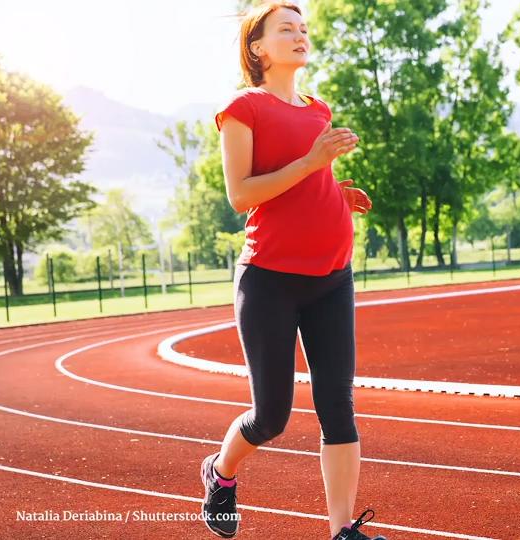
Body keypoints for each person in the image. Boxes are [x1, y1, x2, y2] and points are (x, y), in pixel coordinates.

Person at [200, 3, 382, 539]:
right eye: (286, 29)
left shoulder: (318, 108)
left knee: (337, 406)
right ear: (258, 47)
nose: (300, 35)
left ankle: (342, 530)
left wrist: (336, 193)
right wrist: (311, 163)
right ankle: (220, 471)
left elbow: (306, 182)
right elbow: (241, 195)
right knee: (271, 416)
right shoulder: (242, 108)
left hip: (333, 276)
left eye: (303, 28)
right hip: (270, 280)